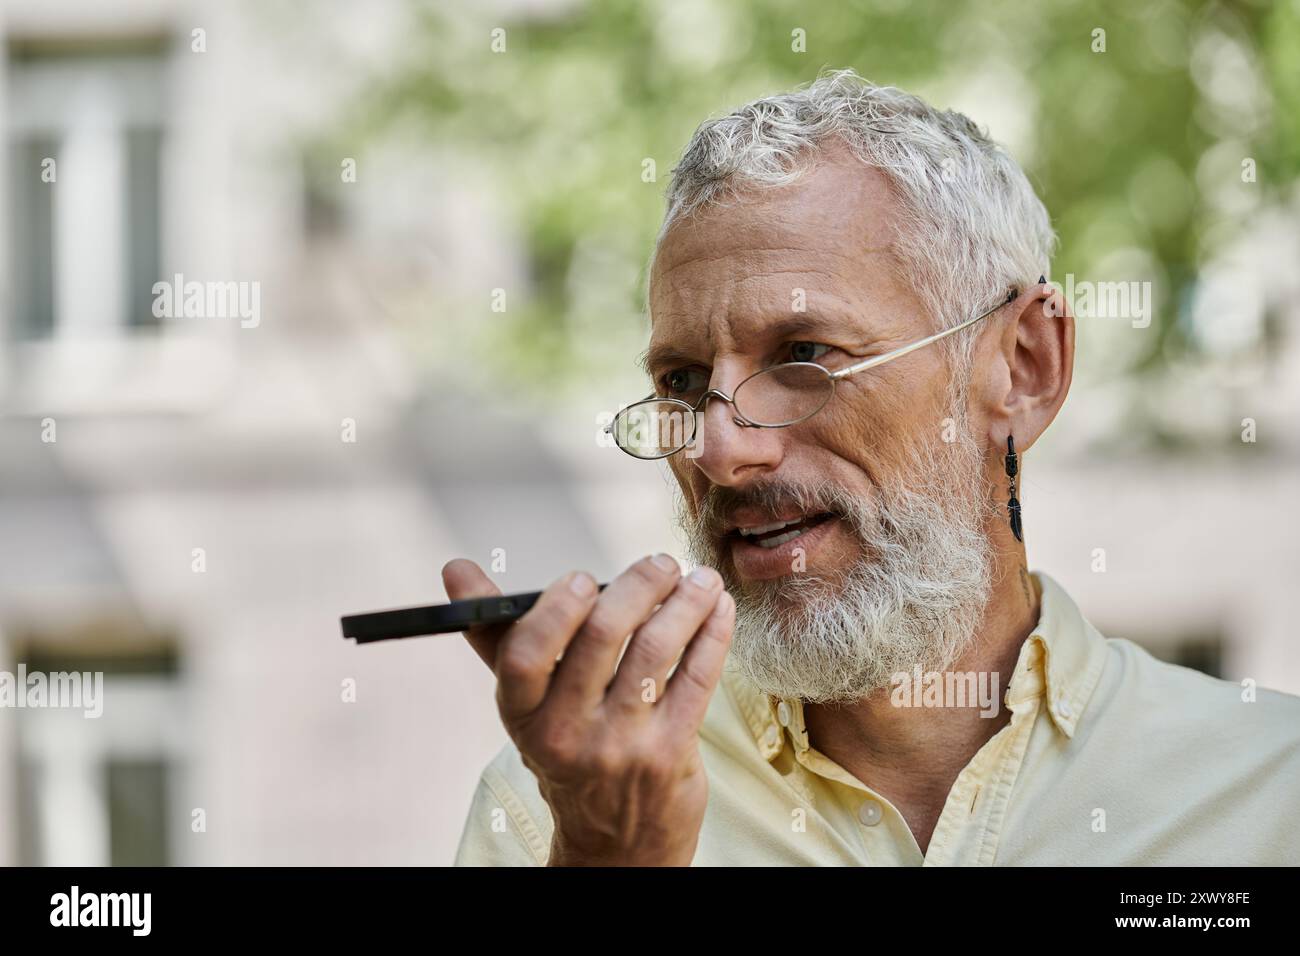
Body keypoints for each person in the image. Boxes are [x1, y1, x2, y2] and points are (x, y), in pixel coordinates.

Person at [445, 70, 1300, 865]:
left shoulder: (1268, 792)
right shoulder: (559, 816)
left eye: (804, 354)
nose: (720, 450)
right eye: (683, 382)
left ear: (1024, 367)